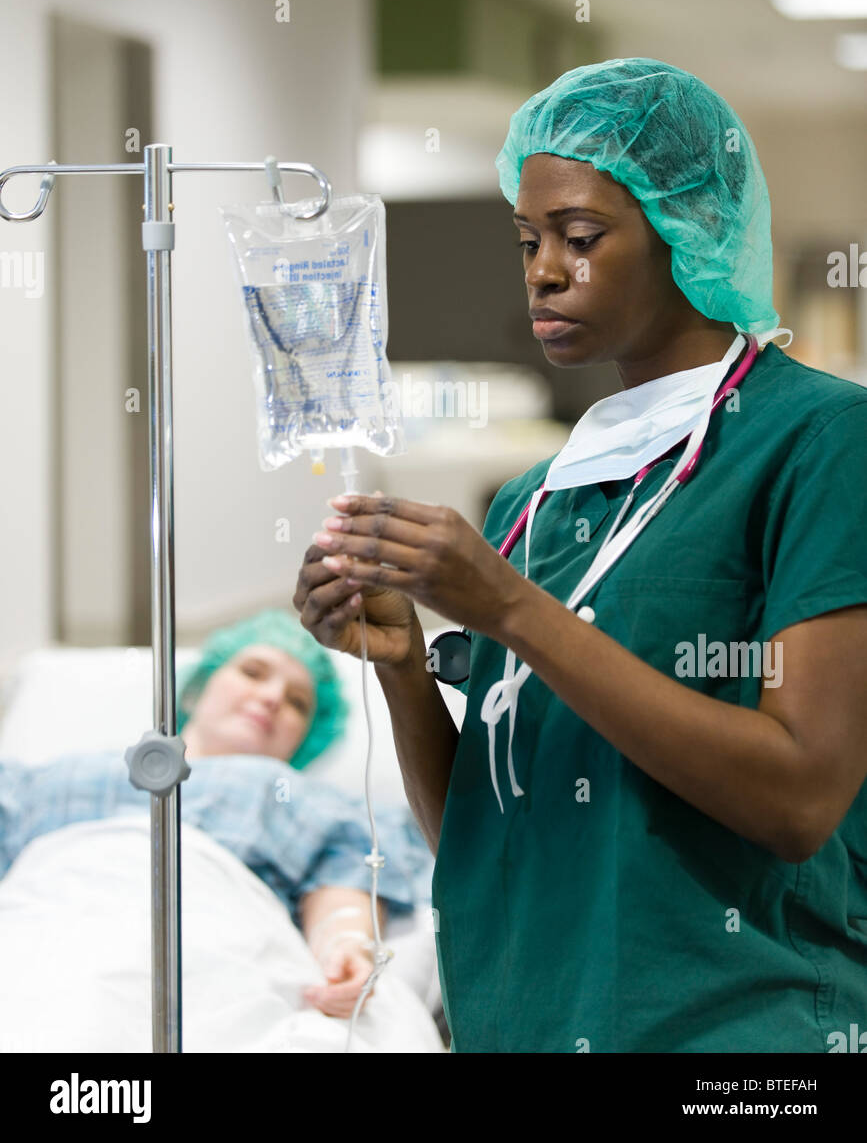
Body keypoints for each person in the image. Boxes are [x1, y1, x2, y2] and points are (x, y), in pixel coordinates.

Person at [294, 58, 867, 1054]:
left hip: (736, 1028)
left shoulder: (821, 442)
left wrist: (512, 610)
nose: (543, 270)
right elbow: (486, 834)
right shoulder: (535, 502)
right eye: (527, 240)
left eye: (581, 237)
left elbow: (800, 795)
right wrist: (400, 669)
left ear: (686, 229)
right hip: (524, 1018)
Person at [0, 609, 431, 1025]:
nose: (271, 696)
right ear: (195, 689)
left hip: (206, 945)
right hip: (42, 925)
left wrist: (345, 947)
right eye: (253, 672)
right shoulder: (55, 777)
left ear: (311, 736)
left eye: (298, 702)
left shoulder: (303, 800)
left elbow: (346, 878)